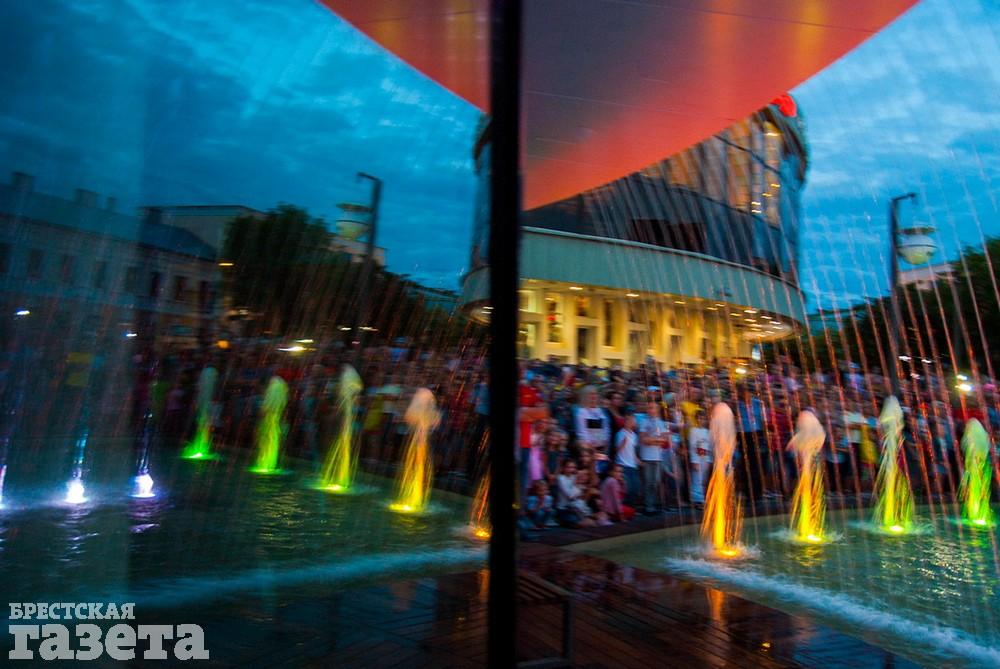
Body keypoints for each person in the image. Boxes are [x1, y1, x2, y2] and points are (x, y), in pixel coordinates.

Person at [638, 400, 667, 514]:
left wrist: (652, 440)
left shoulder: (661, 423)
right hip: (647, 457)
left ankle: (653, 504)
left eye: (653, 408)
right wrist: (656, 440)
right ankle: (648, 506)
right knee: (648, 482)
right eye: (649, 408)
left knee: (656, 482)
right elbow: (643, 440)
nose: (651, 410)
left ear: (657, 410)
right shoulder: (643, 422)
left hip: (658, 457)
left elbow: (664, 440)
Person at [575, 385, 612, 474]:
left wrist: (605, 442)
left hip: (602, 447)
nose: (594, 397)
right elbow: (582, 431)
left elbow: (606, 428)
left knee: (602, 471)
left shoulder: (600, 411)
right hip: (589, 449)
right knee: (591, 471)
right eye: (591, 394)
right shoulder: (581, 412)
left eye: (595, 394)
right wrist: (591, 446)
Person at [555, 460, 594, 527]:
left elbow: (582, 491)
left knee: (590, 520)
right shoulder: (560, 478)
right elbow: (570, 496)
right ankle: (562, 520)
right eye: (568, 467)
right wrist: (577, 484)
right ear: (564, 468)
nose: (571, 469)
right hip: (564, 509)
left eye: (573, 467)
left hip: (575, 507)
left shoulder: (574, 477)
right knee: (582, 522)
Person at [615, 413, 641, 507]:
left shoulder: (634, 435)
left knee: (636, 487)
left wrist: (638, 461)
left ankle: (632, 508)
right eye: (629, 420)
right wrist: (622, 443)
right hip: (623, 465)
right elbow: (616, 450)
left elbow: (633, 451)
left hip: (633, 465)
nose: (631, 422)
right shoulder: (620, 434)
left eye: (632, 421)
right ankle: (626, 507)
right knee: (627, 488)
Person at [688, 410, 711, 507]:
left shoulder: (707, 432)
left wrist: (709, 460)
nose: (701, 420)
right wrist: (695, 461)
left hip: (705, 457)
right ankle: (696, 499)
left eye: (703, 419)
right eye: (699, 418)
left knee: (703, 479)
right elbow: (693, 446)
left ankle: (702, 498)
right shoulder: (693, 431)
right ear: (696, 419)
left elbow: (709, 446)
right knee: (697, 478)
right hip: (698, 457)